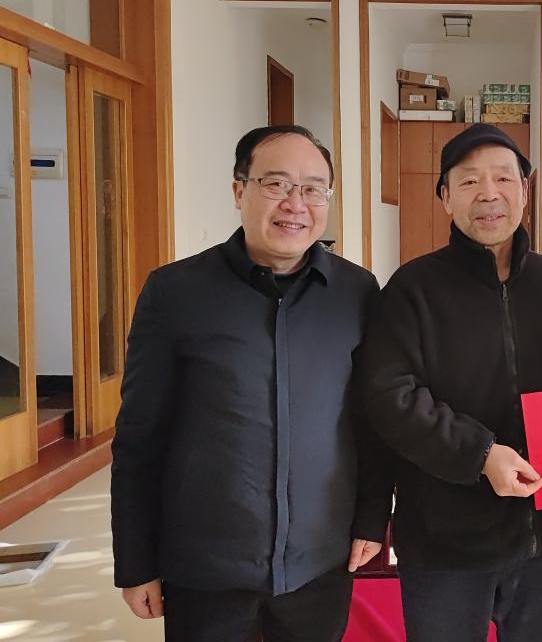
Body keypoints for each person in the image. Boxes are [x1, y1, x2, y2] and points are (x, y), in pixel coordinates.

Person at [110, 125, 391, 641]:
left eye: (313, 189)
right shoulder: (175, 292)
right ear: (239, 191)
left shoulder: (356, 291)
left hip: (319, 562)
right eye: (276, 184)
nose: (295, 204)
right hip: (205, 567)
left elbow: (370, 421)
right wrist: (136, 561)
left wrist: (372, 519)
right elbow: (139, 436)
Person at [359, 123, 542, 642]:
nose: (489, 194)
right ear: (446, 197)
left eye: (503, 178)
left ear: (525, 190)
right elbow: (390, 397)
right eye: (470, 181)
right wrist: (481, 455)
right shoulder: (413, 288)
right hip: (445, 543)